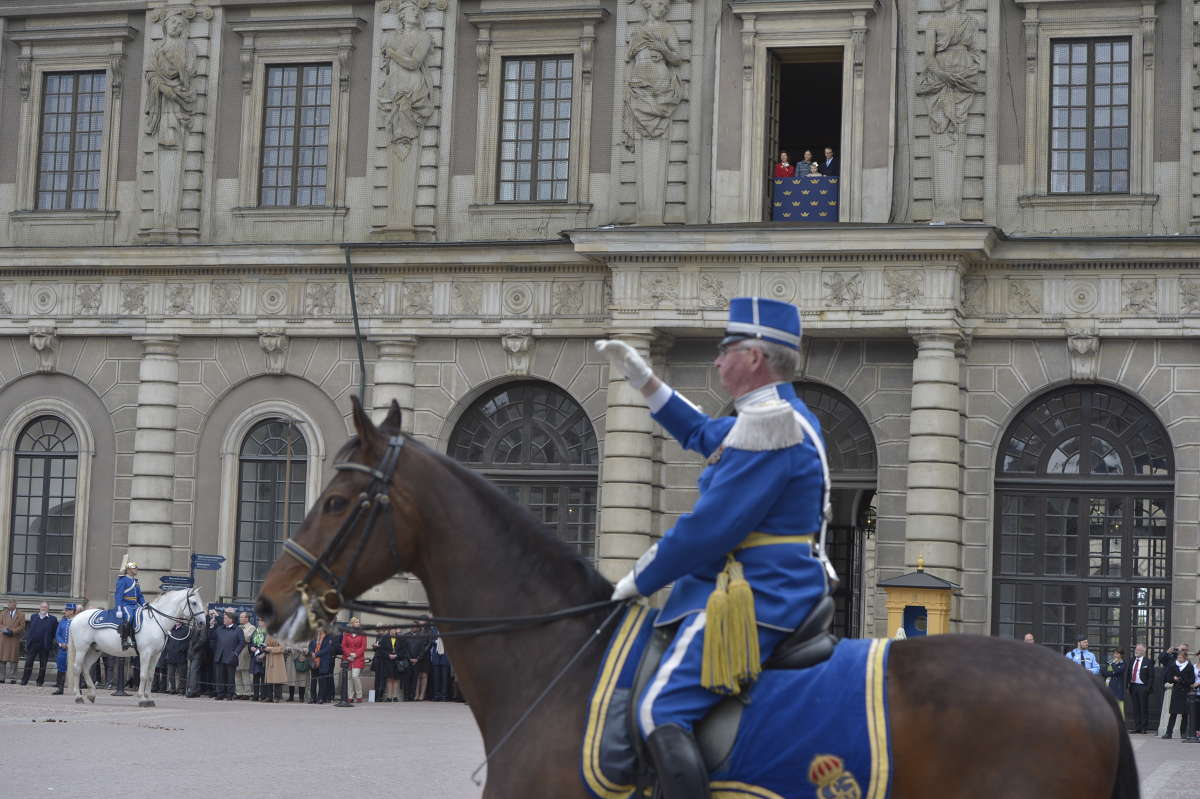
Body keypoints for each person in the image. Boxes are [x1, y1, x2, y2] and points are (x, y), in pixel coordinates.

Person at [596, 296, 828, 799]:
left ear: (754, 357)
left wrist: (636, 580)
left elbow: (709, 530)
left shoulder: (772, 426)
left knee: (659, 708)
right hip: (770, 582)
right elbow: (704, 432)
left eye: (726, 350)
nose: (717, 360)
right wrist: (643, 379)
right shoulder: (770, 417)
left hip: (762, 591)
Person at [1163, 644, 1195, 739]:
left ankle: (1183, 733)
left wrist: (1181, 679)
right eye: (1178, 657)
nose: (1179, 658)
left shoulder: (1189, 666)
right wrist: (1174, 679)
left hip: (1185, 692)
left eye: (1181, 657)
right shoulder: (1174, 666)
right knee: (1173, 713)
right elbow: (1168, 678)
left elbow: (1192, 680)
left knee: (1184, 714)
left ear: (1185, 658)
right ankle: (1169, 733)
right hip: (1176, 691)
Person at [21, 602, 57, 687]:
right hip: (33, 644)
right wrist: (27, 641)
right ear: (39, 608)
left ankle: (40, 681)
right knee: (28, 662)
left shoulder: (53, 619)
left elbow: (54, 633)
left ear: (48, 608)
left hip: (44, 645)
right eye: (42, 607)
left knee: (43, 664)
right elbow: (30, 630)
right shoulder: (34, 617)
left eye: (45, 607)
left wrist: (52, 643)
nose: (43, 608)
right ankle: (24, 680)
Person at [114, 560, 146, 650]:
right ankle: (124, 640)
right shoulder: (122, 580)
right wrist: (119, 608)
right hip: (126, 605)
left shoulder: (135, 581)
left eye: (136, 568)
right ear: (128, 570)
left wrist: (144, 604)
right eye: (134, 568)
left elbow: (139, 596)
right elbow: (118, 595)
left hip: (135, 605)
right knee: (129, 617)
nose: (136, 569)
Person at [211, 610, 243, 700]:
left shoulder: (238, 629)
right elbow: (212, 638)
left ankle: (230, 694)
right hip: (219, 655)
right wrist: (211, 626)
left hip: (231, 656)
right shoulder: (220, 628)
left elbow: (241, 642)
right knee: (219, 676)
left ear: (231, 620)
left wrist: (236, 653)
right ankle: (220, 693)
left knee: (230, 677)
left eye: (225, 618)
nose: (223, 620)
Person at [1126, 643, 1154, 733]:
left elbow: (1151, 676)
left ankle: (1144, 728)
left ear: (1143, 651)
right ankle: (1137, 727)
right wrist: (1127, 685)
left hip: (1143, 687)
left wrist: (1147, 688)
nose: (1136, 651)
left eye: (1138, 650)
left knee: (1143, 708)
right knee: (1136, 708)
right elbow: (1128, 673)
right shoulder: (1132, 660)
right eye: (1136, 650)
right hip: (1133, 686)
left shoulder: (1148, 662)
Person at [341, 618, 367, 703]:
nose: (358, 623)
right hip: (348, 658)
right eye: (356, 622)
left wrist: (355, 654)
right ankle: (350, 696)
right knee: (349, 678)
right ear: (352, 624)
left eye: (359, 622)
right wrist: (349, 654)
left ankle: (359, 695)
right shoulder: (346, 633)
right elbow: (343, 645)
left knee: (355, 676)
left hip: (358, 658)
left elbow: (363, 647)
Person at [52, 603, 76, 694]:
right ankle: (60, 688)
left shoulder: (77, 621)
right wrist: (61, 643)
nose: (65, 612)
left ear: (72, 611)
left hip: (73, 649)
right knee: (61, 667)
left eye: (67, 610)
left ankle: (77, 688)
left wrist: (71, 645)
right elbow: (58, 633)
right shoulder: (63, 621)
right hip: (62, 649)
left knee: (75, 668)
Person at [185, 616, 210, 698]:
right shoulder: (191, 625)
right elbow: (189, 639)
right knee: (190, 671)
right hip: (190, 651)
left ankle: (191, 690)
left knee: (194, 671)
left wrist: (194, 648)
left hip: (198, 652)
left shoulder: (202, 626)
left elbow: (203, 639)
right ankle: (195, 689)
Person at [0, 599, 25, 683]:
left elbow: (22, 626)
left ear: (15, 605)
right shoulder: (2, 613)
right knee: (2, 660)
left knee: (13, 660)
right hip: (4, 639)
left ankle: (13, 678)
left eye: (12, 603)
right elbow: (0, 624)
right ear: (7, 604)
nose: (11, 605)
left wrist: (13, 631)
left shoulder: (21, 614)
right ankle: (1, 678)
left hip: (14, 639)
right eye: (9, 603)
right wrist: (5, 629)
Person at [309, 628, 336, 704]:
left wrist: (316, 654)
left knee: (322, 681)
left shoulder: (329, 637)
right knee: (313, 681)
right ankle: (312, 697)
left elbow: (328, 649)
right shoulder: (314, 635)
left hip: (323, 661)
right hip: (314, 661)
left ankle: (321, 698)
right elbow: (310, 646)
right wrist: (311, 652)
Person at [162, 621, 189, 694]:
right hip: (171, 655)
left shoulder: (185, 630)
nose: (177, 621)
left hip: (181, 655)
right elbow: (167, 641)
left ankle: (181, 689)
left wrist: (181, 649)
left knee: (182, 674)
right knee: (171, 674)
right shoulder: (171, 629)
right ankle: (172, 689)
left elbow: (187, 642)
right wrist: (168, 648)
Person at [236, 611, 256, 699]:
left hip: (245, 651)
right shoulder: (238, 627)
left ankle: (247, 692)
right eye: (240, 617)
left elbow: (247, 638)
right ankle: (239, 692)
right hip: (237, 650)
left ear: (246, 618)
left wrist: (239, 636)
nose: (240, 619)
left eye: (242, 617)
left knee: (245, 672)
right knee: (237, 672)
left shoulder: (251, 627)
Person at [263, 635, 287, 702]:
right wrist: (263, 647)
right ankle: (269, 696)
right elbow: (266, 644)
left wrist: (271, 649)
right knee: (269, 678)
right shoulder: (268, 635)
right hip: (269, 658)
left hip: (278, 659)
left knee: (277, 678)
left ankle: (277, 696)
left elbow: (282, 648)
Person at [429, 628, 451, 701]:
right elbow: (430, 640)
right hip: (436, 656)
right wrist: (436, 641)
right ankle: (436, 695)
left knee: (444, 677)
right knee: (436, 677)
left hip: (445, 655)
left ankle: (444, 695)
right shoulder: (433, 630)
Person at [1106, 648, 1126, 715]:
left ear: (1121, 655)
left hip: (1117, 688)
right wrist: (1112, 672)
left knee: (1118, 709)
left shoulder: (1123, 663)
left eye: (1117, 654)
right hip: (1108, 685)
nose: (1115, 655)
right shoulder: (1110, 661)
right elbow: (1105, 672)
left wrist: (1113, 665)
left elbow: (1118, 671)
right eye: (1114, 653)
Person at [249, 624, 267, 700]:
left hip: (263, 656)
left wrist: (262, 651)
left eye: (262, 621)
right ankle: (255, 695)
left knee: (263, 677)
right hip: (255, 656)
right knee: (255, 677)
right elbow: (250, 642)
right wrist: (251, 647)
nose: (260, 623)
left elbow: (268, 644)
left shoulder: (268, 632)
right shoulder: (255, 631)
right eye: (259, 621)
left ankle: (263, 695)